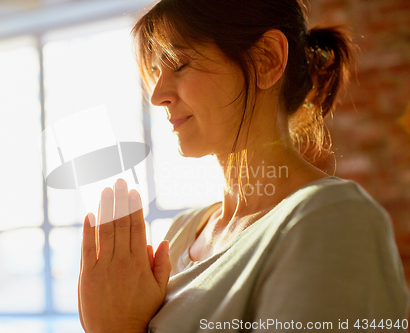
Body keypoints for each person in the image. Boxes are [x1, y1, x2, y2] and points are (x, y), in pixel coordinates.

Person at [78, 0, 410, 332]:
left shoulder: (333, 218)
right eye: (155, 71)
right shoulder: (182, 232)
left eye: (178, 64)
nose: (157, 95)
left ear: (267, 59)